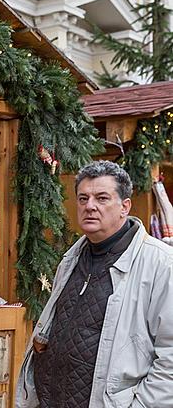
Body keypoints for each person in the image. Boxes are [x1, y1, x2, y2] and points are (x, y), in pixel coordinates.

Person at [16, 160, 173, 407]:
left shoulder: (161, 264)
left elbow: (170, 359)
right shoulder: (71, 259)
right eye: (83, 198)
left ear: (125, 206)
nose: (90, 206)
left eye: (101, 198)